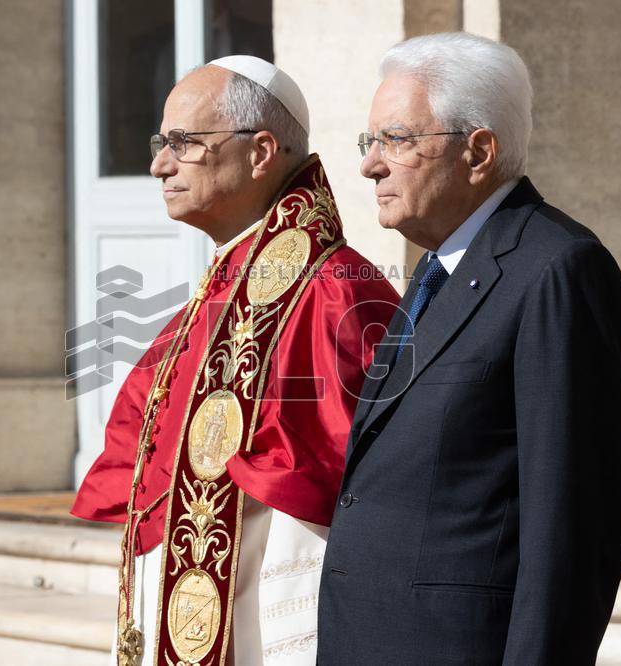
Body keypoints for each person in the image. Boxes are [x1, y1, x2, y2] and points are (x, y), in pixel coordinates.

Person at [317, 32, 621, 665]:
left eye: (396, 140)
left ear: (479, 151)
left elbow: (570, 528)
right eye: (368, 141)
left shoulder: (557, 270)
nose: (369, 165)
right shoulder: (438, 266)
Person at [71, 55, 399, 666]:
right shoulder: (217, 290)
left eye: (182, 143)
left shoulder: (338, 293)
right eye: (158, 143)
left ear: (260, 151)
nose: (157, 165)